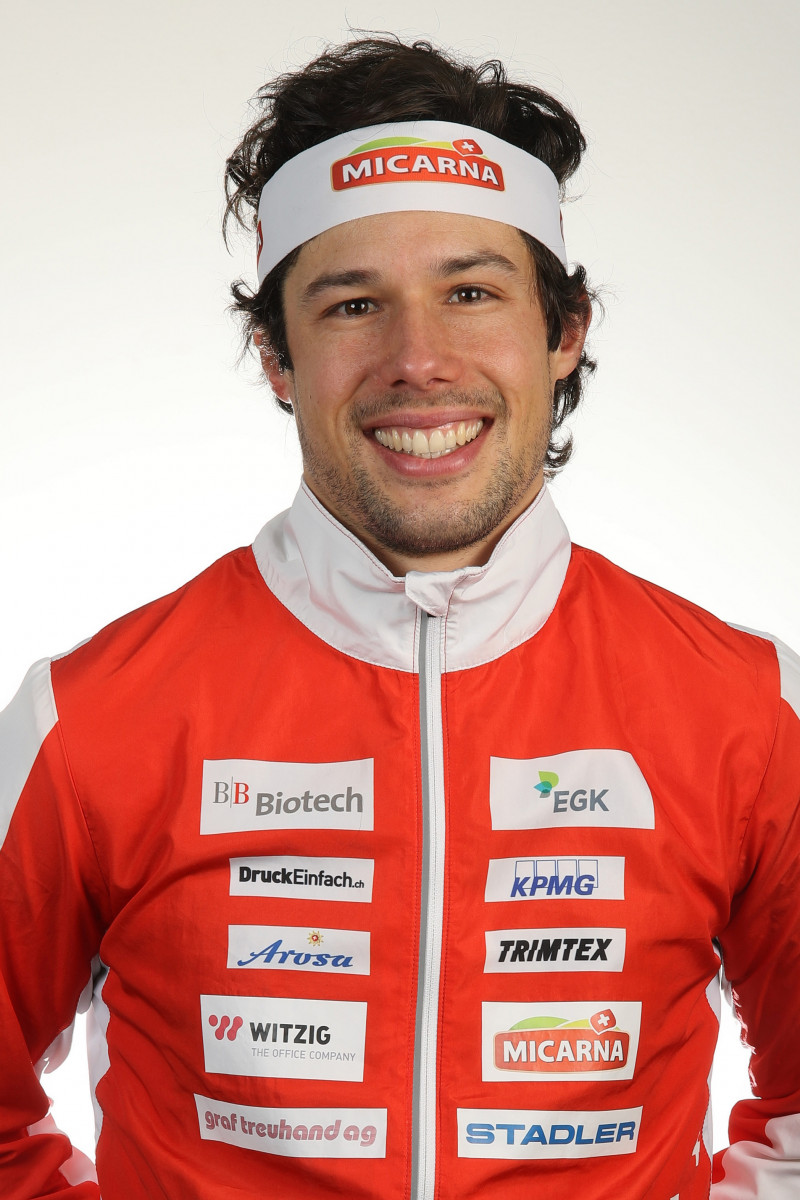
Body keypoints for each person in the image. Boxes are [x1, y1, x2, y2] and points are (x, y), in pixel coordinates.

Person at [1, 34, 798, 1200]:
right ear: (276, 356)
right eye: (353, 303)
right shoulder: (88, 718)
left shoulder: (746, 711)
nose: (417, 360)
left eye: (469, 292)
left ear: (563, 330)